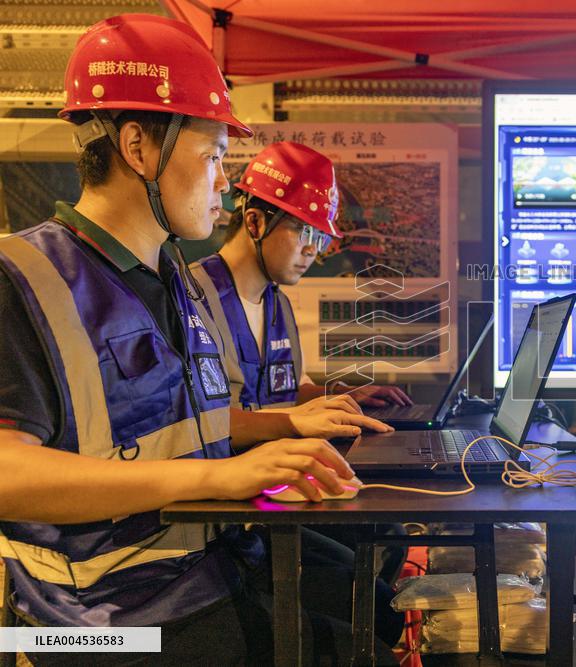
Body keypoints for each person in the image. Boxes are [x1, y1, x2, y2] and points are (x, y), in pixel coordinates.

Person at [0, 14, 397, 664]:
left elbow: (185, 431)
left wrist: (270, 452)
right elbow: (6, 470)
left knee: (372, 605)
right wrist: (225, 473)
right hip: (100, 620)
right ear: (139, 149)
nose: (223, 181)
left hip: (201, 568)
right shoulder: (27, 276)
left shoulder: (171, 280)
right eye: (212, 155)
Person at [191, 140, 409, 635]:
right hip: (232, 517)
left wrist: (342, 396)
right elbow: (199, 423)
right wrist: (294, 419)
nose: (315, 248)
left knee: (388, 541)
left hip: (277, 493)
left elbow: (289, 387)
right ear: (254, 222)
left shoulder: (277, 302)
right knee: (371, 604)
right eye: (303, 230)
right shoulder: (193, 300)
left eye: (320, 235)